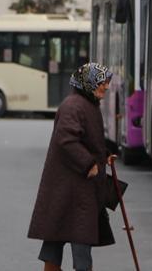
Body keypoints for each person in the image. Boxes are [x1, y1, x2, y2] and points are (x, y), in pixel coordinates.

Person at [27, 63, 115, 271]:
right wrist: (89, 163)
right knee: (77, 243)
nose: (106, 87)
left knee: (56, 239)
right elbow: (66, 139)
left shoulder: (85, 103)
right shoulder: (74, 105)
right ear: (89, 82)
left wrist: (104, 156)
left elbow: (86, 139)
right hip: (73, 189)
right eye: (102, 82)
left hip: (70, 189)